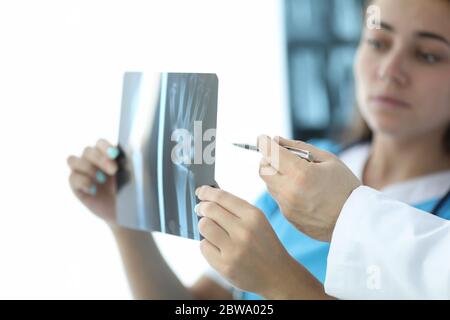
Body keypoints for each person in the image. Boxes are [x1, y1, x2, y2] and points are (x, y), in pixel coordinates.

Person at [67, 0, 450, 299]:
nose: (389, 70)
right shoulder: (308, 169)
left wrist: (278, 280)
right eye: (378, 42)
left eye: (428, 55)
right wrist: (126, 226)